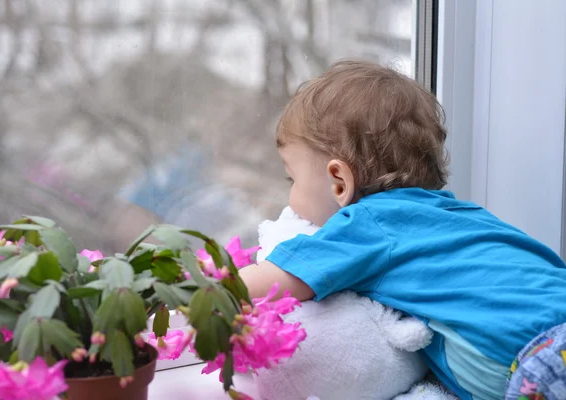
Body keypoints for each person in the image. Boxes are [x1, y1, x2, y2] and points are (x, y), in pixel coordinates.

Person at [239, 60, 566, 400]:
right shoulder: (464, 214)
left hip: (542, 358)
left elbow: (271, 281)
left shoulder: (367, 223)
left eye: (293, 179)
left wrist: (199, 290)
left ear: (339, 182)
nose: (290, 198)